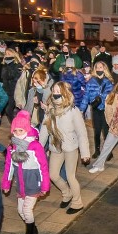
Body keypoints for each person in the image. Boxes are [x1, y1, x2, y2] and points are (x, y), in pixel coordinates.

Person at [40, 81, 91, 214]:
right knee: (53, 175)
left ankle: (77, 202)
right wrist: (39, 148)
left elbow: (81, 132)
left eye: (58, 91)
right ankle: (66, 193)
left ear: (65, 93)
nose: (56, 94)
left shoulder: (73, 110)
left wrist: (85, 152)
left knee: (70, 176)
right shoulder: (50, 109)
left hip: (70, 147)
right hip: (55, 147)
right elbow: (45, 129)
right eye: (54, 91)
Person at [2, 111, 50, 234]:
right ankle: (32, 229)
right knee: (20, 210)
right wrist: (6, 183)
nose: (17, 133)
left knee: (27, 210)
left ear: (27, 129)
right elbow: (9, 166)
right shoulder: (12, 147)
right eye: (15, 131)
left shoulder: (35, 146)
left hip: (33, 183)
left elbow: (43, 167)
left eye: (21, 130)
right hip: (21, 184)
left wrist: (45, 186)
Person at [89, 75, 118, 173]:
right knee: (107, 145)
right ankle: (99, 165)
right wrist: (111, 123)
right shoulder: (113, 95)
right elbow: (108, 109)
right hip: (115, 126)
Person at [85, 60, 114, 159]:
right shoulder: (91, 81)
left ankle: (108, 152)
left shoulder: (108, 82)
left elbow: (112, 95)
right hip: (96, 109)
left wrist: (103, 96)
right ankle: (97, 150)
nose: (98, 69)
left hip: (105, 110)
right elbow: (86, 96)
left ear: (104, 69)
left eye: (100, 67)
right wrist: (81, 109)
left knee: (106, 132)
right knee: (97, 131)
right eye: (97, 67)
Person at [0, 48, 24, 122]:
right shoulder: (5, 66)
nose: (7, 55)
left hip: (15, 91)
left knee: (10, 109)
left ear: (14, 55)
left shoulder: (18, 65)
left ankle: (16, 124)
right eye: (6, 54)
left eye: (9, 54)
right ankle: (15, 124)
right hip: (6, 91)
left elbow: (17, 79)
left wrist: (9, 66)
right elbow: (3, 77)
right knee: (8, 110)